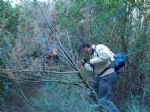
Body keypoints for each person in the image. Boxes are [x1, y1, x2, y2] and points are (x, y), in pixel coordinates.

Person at [80, 43, 119, 112]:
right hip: (101, 76)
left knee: (103, 100)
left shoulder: (99, 47)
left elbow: (106, 56)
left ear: (87, 47)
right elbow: (94, 69)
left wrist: (90, 61)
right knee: (91, 91)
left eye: (85, 51)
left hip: (108, 74)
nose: (86, 53)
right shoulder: (93, 55)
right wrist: (85, 64)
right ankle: (97, 109)